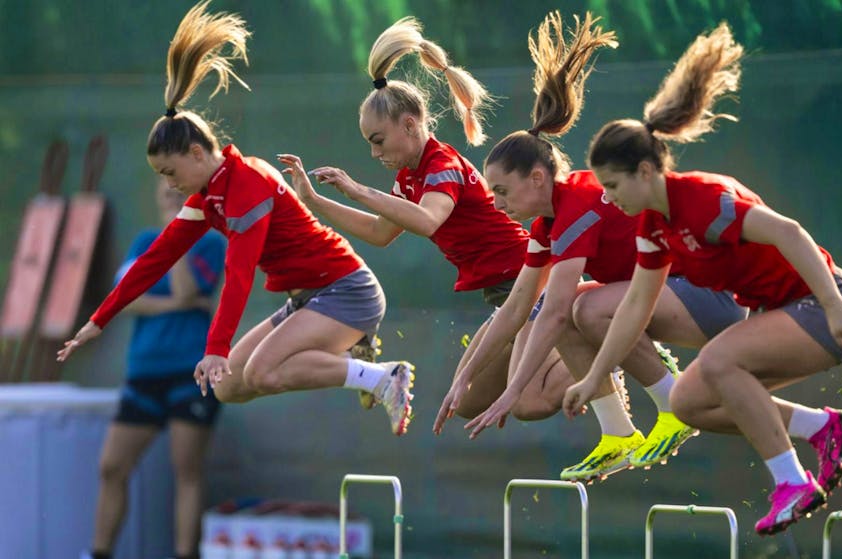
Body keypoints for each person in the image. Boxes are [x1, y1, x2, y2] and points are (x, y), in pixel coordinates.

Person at [562, 23, 842, 535]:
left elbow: (791, 234)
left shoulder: (705, 200)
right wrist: (595, 377)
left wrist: (836, 305)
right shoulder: (652, 227)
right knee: (689, 402)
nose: (609, 197)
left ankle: (793, 484)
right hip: (786, 313)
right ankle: (823, 427)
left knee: (720, 360)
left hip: (826, 303)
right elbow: (637, 305)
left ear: (644, 171)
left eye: (613, 185)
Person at [57, 1, 414, 437]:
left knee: (263, 372)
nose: (169, 185)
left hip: (345, 290)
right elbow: (156, 259)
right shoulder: (209, 196)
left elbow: (239, 273)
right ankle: (357, 360)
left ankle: (379, 377)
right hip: (309, 298)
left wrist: (215, 347)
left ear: (195, 153)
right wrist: (98, 320)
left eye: (170, 173)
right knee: (229, 386)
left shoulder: (246, 184)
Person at [444, 12, 746, 483]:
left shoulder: (578, 206)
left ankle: (673, 406)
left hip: (710, 297)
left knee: (577, 309)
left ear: (538, 178)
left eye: (502, 191)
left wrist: (511, 389)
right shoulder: (548, 222)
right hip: (668, 298)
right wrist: (465, 376)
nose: (496, 204)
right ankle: (618, 435)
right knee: (561, 306)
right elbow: (519, 307)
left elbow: (558, 312)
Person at [277, 15, 571, 423]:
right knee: (465, 402)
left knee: (530, 404)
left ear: (410, 125)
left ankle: (602, 357)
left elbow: (429, 220)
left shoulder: (440, 163)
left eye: (378, 140)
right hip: (503, 292)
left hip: (526, 281)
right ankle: (589, 353)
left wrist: (357, 188)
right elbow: (381, 233)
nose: (374, 152)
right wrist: (313, 200)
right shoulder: (410, 178)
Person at [82, 179, 224, 559]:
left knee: (186, 471)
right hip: (144, 373)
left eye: (179, 188)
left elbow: (185, 289)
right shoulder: (144, 242)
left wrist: (177, 234)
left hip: (190, 374)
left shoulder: (211, 242)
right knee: (112, 466)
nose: (171, 192)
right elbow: (122, 301)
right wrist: (178, 306)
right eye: (164, 185)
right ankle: (98, 553)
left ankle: (184, 554)